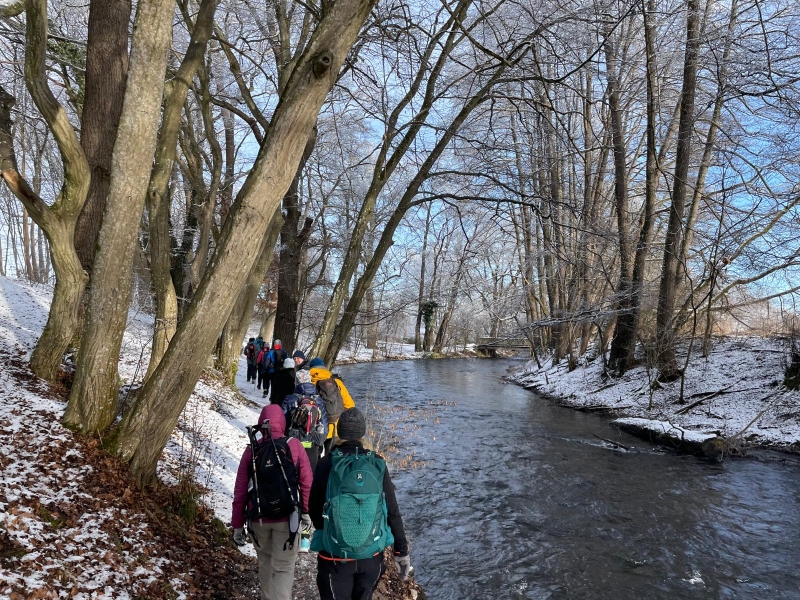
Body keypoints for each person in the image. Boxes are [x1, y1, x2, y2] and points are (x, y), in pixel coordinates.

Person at [309, 408, 412, 599]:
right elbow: (392, 511)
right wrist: (401, 551)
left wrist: (334, 526)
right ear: (362, 433)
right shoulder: (377, 463)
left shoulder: (326, 463)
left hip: (334, 557)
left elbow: (314, 511)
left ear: (339, 432)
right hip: (371, 557)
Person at [231, 404, 313, 600]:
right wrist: (306, 513)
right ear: (283, 423)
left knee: (266, 564)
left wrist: (237, 526)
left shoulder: (252, 450)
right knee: (283, 568)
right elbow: (307, 483)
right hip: (287, 518)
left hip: (258, 519)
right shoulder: (294, 445)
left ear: (261, 423)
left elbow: (241, 492)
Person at [282, 369, 327, 472]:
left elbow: (283, 421)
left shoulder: (290, 399)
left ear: (296, 382)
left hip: (293, 442)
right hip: (312, 444)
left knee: (292, 473)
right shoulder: (318, 400)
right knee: (310, 475)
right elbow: (324, 423)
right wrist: (320, 441)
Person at [309, 357, 355, 455]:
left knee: (315, 457)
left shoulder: (309, 383)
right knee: (332, 456)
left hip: (316, 428)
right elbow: (350, 405)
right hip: (335, 427)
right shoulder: (336, 382)